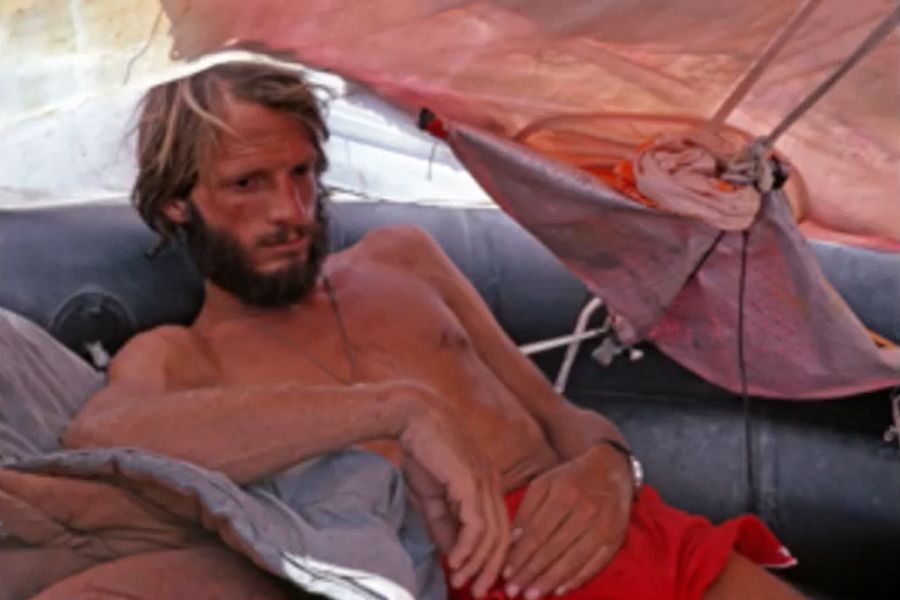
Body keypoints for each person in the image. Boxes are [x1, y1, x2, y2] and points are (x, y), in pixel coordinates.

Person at [64, 60, 803, 600]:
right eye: (248, 184)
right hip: (488, 583)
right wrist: (393, 407)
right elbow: (102, 439)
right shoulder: (179, 356)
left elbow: (556, 413)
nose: (292, 210)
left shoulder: (402, 256)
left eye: (301, 174)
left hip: (640, 534)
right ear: (175, 206)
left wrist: (611, 469)